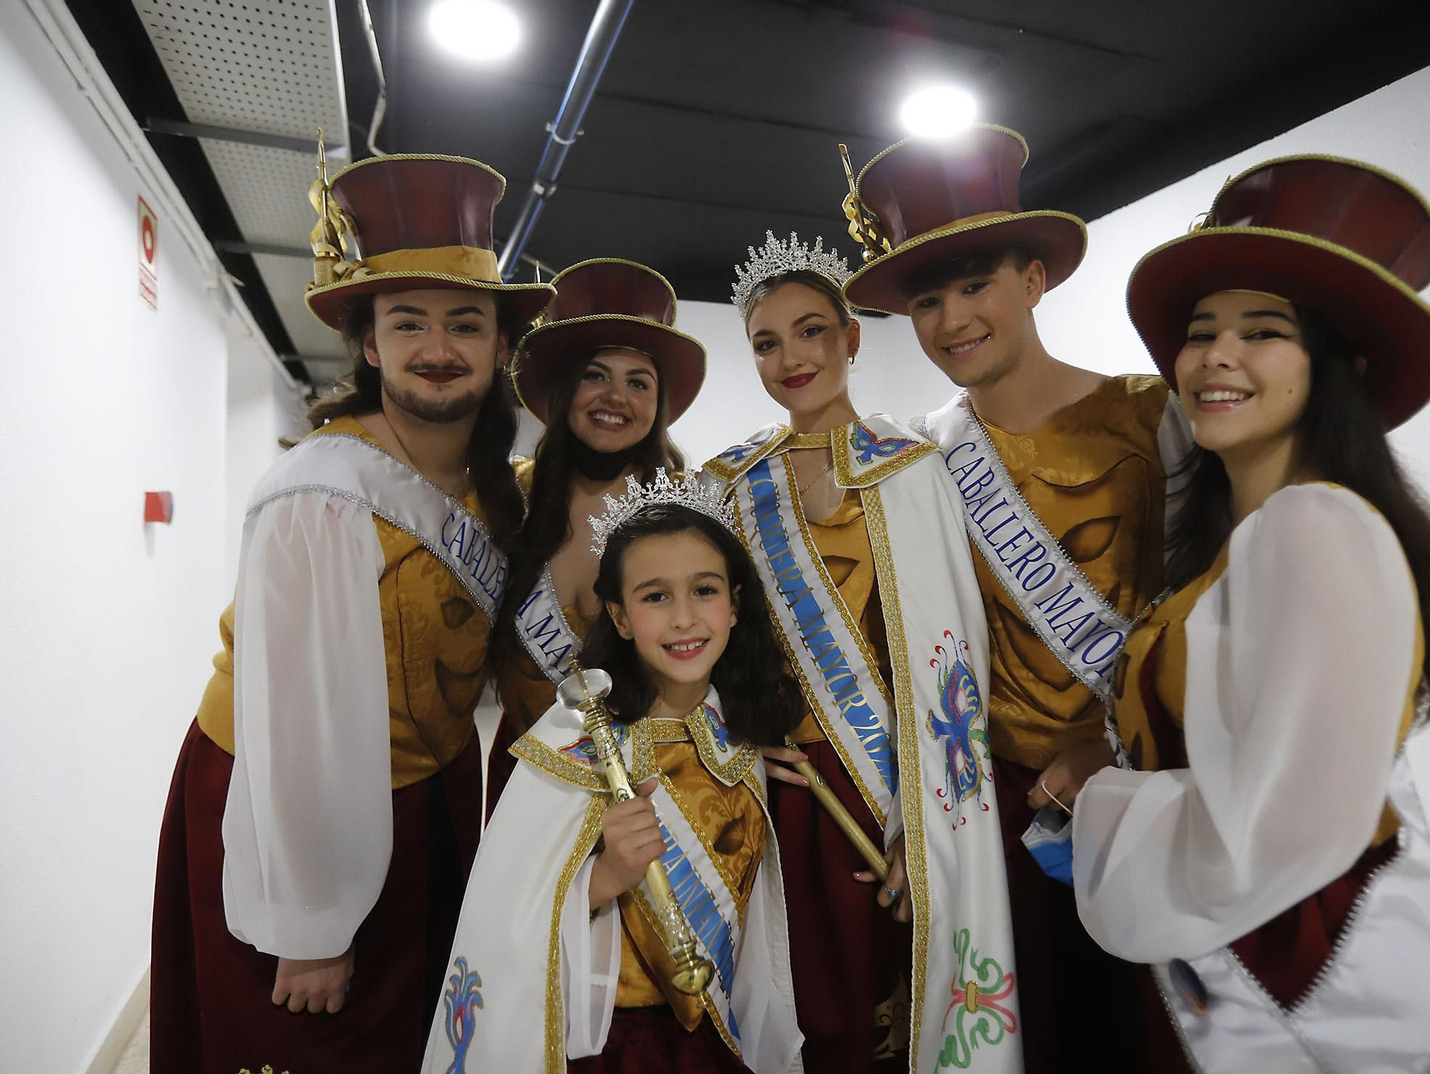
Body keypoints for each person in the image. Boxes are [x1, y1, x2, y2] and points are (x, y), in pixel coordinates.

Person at [1069, 154, 1430, 1071]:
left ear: (1337, 365)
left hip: (1314, 966)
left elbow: (1281, 830)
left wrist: (1104, 808)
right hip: (1241, 937)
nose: (1217, 357)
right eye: (1202, 332)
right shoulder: (1234, 542)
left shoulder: (1313, 524)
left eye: (1263, 332)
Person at [149, 148, 553, 1071]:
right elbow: (294, 726)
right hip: (294, 812)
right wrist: (310, 924)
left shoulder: (497, 490)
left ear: (500, 347)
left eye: (465, 324)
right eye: (408, 324)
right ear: (371, 347)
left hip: (429, 797)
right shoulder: (318, 493)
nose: (439, 348)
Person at [836, 123, 1186, 1069]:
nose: (952, 320)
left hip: (1145, 787)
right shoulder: (921, 456)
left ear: (1035, 280)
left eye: (976, 285)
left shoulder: (1154, 419)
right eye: (928, 300)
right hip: (993, 804)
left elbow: (1199, 614)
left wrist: (1110, 746)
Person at [699, 230, 1023, 1071]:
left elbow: (952, 657)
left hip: (890, 784)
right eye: (766, 344)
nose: (790, 358)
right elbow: (702, 643)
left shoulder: (912, 469)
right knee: (804, 999)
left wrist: (927, 828)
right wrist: (733, 744)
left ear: (851, 337)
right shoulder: (729, 483)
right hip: (780, 786)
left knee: (895, 993)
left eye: (811, 331)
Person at [423, 473, 805, 1073]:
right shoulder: (572, 743)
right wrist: (607, 875)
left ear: (734, 604)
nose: (684, 618)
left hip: (716, 1042)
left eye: (703, 590)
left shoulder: (743, 736)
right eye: (655, 597)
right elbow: (506, 919)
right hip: (613, 1047)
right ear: (620, 618)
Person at [487, 258, 703, 818]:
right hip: (528, 781)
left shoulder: (687, 512)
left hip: (655, 783)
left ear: (658, 406)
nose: (616, 397)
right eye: (595, 375)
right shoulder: (507, 500)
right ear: (564, 388)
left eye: (639, 382)